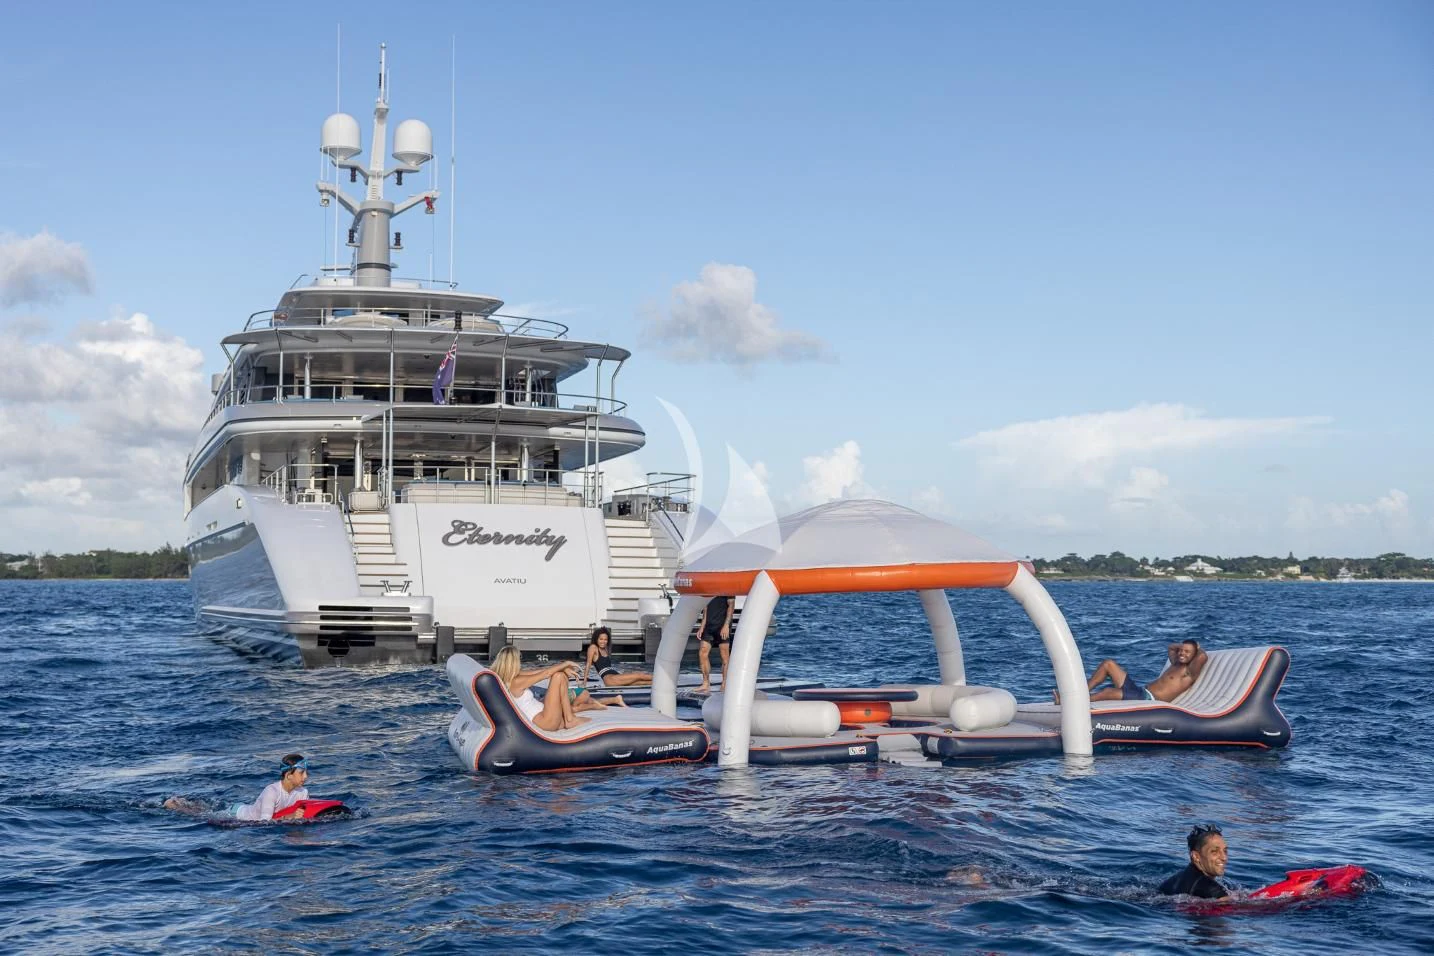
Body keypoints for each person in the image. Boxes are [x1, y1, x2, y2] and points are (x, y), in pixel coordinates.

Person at [1058, 639, 1208, 703]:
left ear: (1194, 655)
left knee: (1107, 692)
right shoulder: (1175, 663)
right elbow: (1171, 647)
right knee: (1108, 664)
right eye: (1181, 650)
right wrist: (1185, 647)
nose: (1182, 653)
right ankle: (1079, 692)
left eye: (1187, 652)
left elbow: (1203, 656)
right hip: (1140, 691)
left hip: (1149, 700)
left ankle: (1070, 702)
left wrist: (1197, 648)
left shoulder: (1189, 672)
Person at [491, 646, 589, 731]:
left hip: (548, 716)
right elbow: (545, 674)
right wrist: (565, 663)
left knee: (561, 675)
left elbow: (540, 671)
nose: (520, 662)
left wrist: (563, 668)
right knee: (558, 676)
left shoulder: (511, 678)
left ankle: (569, 718)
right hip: (545, 722)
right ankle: (570, 719)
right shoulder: (516, 682)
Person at [1158, 823, 1230, 899]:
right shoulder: (1214, 891)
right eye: (1214, 851)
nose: (1224, 857)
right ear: (1196, 856)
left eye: (1225, 851)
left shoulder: (1178, 878)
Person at [580, 626, 653, 688]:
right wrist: (584, 683)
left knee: (641, 682)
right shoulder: (593, 647)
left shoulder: (605, 649)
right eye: (601, 639)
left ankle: (661, 684)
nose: (603, 641)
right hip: (610, 679)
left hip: (615, 676)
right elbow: (588, 664)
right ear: (596, 639)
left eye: (605, 639)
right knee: (639, 675)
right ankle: (661, 678)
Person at [695, 594, 734, 694]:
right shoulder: (709, 588)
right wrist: (702, 626)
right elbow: (706, 607)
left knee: (725, 656)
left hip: (722, 626)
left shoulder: (728, 587)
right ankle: (705, 683)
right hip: (709, 626)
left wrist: (726, 625)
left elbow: (731, 606)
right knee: (702, 653)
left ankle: (725, 683)